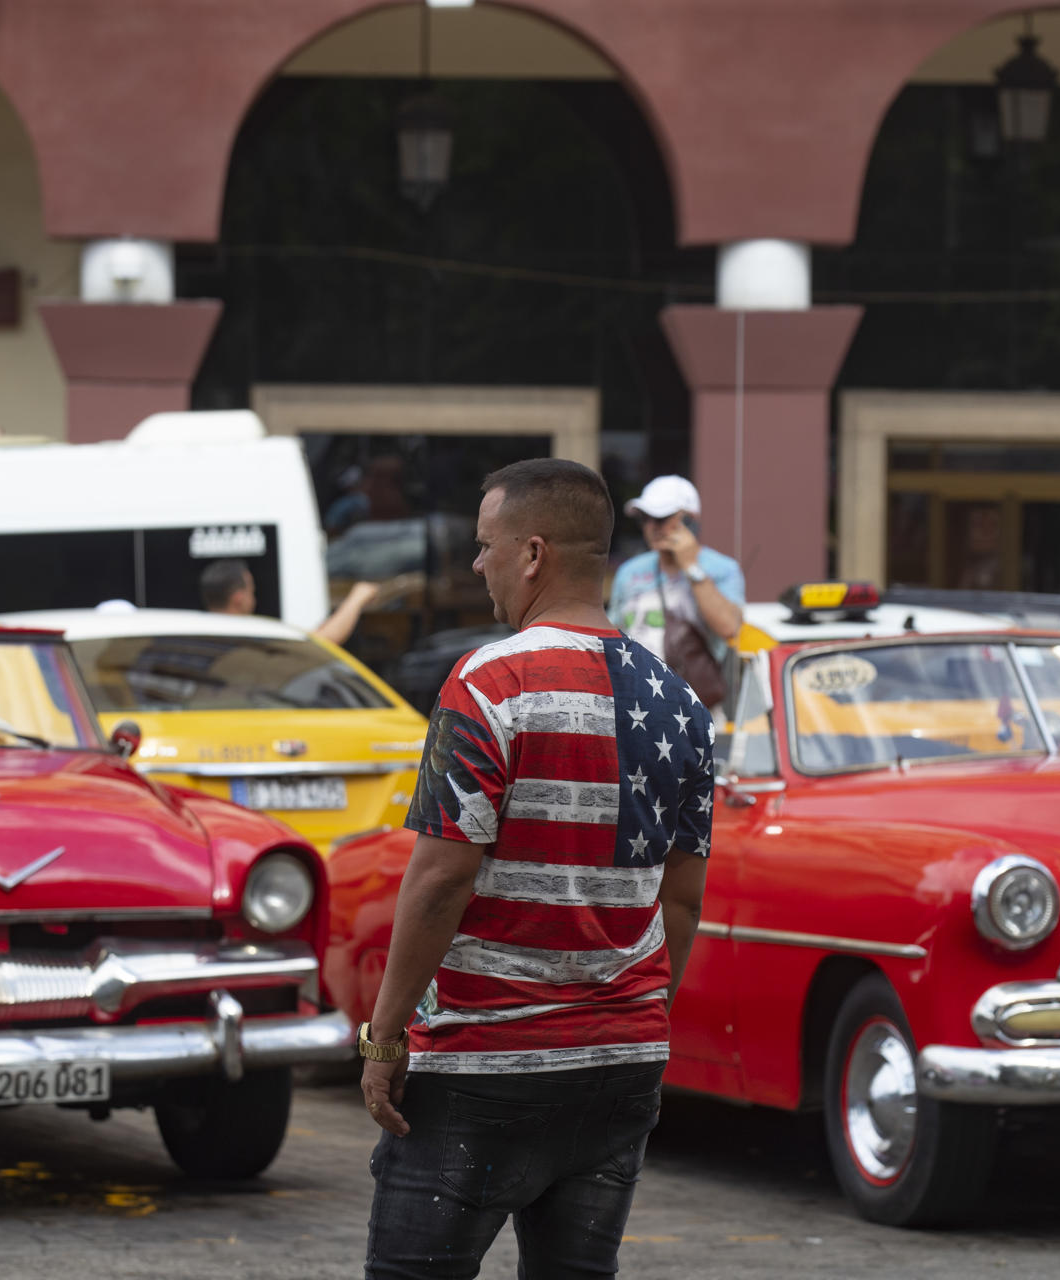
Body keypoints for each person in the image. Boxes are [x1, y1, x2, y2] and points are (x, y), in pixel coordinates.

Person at [357, 458, 714, 1280]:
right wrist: (635, 1018)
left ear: (534, 553)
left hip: (483, 1066)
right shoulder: (682, 705)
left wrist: (384, 1037)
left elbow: (442, 878)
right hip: (622, 1066)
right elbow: (683, 903)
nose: (477, 566)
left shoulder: (491, 681)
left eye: (486, 546)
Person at [608, 474, 744, 666]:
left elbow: (730, 628)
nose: (651, 527)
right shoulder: (629, 571)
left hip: (694, 690)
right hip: (638, 685)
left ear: (689, 521)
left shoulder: (723, 569)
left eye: (660, 518)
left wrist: (691, 566)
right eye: (645, 518)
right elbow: (614, 632)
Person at [198, 557, 379, 647]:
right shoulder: (247, 638)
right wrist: (357, 597)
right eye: (251, 591)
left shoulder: (198, 636)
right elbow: (323, 642)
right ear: (238, 598)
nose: (254, 598)